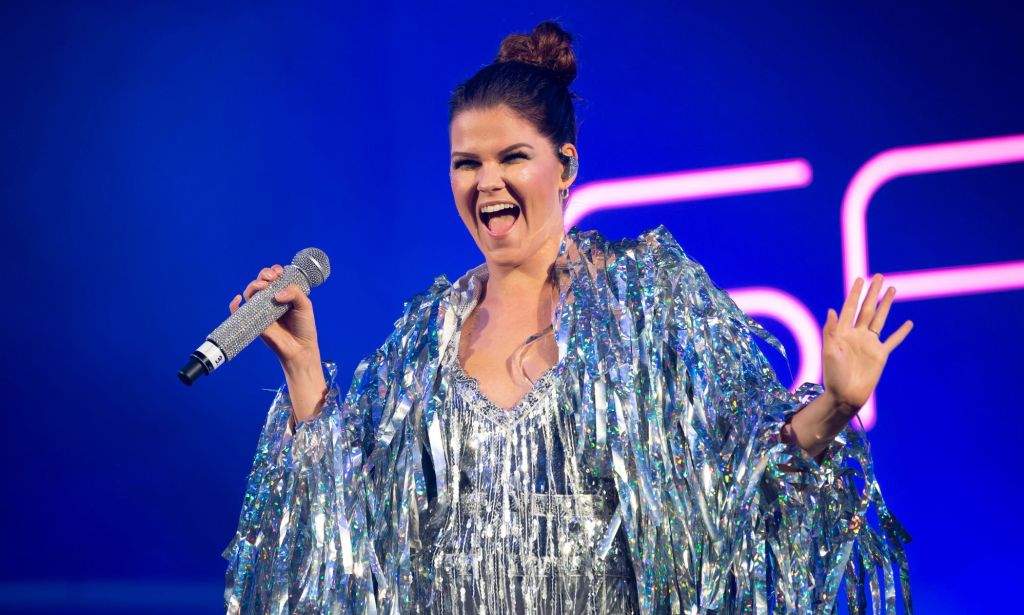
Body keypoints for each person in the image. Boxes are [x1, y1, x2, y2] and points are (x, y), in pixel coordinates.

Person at [222, 22, 914, 615]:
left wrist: (836, 402)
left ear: (564, 164)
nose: (485, 181)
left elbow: (743, 486)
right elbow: (350, 539)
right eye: (467, 164)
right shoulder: (426, 335)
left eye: (510, 157)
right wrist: (304, 367)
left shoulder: (646, 299)